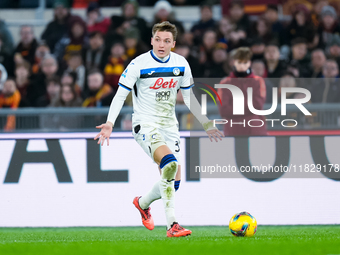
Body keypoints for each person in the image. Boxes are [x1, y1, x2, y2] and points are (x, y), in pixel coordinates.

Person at [94, 21, 223, 237]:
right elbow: (120, 94)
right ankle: (173, 225)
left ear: (173, 44)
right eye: (157, 40)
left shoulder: (181, 64)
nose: (161, 44)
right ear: (151, 40)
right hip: (144, 124)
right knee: (170, 165)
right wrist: (110, 123)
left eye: (166, 41)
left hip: (169, 126)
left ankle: (142, 203)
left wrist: (206, 122)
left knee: (175, 183)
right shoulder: (138, 64)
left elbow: (189, 98)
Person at [218, 47, 267, 136]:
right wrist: (249, 107)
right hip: (233, 132)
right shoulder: (224, 83)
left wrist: (235, 106)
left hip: (256, 131)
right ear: (232, 62)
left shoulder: (258, 81)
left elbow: (257, 105)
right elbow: (223, 110)